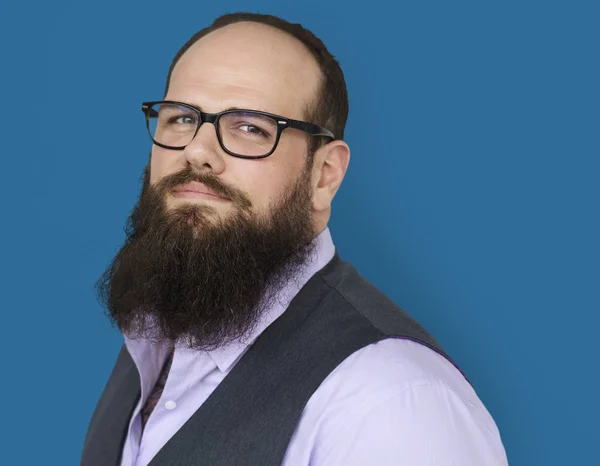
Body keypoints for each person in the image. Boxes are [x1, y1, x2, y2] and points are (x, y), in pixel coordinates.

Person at [81, 12, 508, 466]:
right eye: (182, 118)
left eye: (251, 128)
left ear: (324, 177)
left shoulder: (392, 403)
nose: (198, 152)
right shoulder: (153, 340)